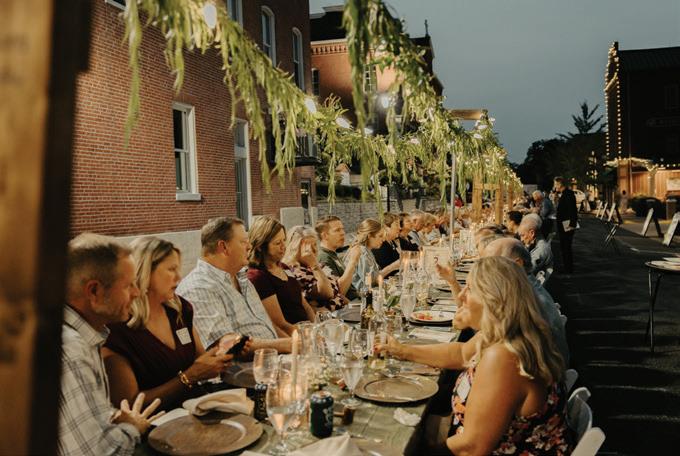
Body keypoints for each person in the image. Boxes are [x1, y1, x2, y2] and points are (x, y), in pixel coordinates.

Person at [379, 257, 572, 455]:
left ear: (493, 300)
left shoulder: (505, 357)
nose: (461, 295)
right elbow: (462, 354)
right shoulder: (508, 332)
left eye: (470, 289)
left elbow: (471, 448)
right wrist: (401, 350)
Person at [59, 233, 162, 456]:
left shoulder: (87, 335)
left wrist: (114, 419)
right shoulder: (71, 351)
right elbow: (98, 452)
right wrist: (133, 427)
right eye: (128, 285)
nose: (137, 293)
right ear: (94, 291)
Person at [103, 237, 234, 409]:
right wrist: (187, 378)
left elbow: (201, 360)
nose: (179, 277)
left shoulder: (179, 309)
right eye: (172, 269)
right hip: (158, 421)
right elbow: (130, 405)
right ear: (145, 272)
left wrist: (222, 354)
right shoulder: (118, 327)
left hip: (198, 409)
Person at [176, 217, 292, 351]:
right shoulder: (199, 287)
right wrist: (289, 345)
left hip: (274, 357)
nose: (249, 247)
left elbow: (267, 326)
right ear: (224, 247)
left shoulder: (241, 278)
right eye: (244, 242)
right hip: (252, 363)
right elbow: (225, 346)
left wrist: (294, 345)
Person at [247, 216, 315, 335]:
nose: (283, 247)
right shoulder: (258, 277)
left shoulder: (284, 267)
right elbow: (279, 324)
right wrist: (309, 337)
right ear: (260, 246)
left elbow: (305, 306)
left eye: (284, 240)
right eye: (277, 243)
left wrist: (317, 328)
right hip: (292, 337)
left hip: (307, 330)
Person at [283, 225, 345, 310]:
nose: (314, 250)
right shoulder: (294, 272)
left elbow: (338, 292)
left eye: (315, 245)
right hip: (327, 316)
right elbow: (327, 294)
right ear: (294, 248)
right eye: (308, 246)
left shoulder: (319, 266)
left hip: (342, 313)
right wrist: (314, 266)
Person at [315, 216, 361, 300]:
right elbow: (338, 293)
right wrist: (353, 261)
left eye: (342, 229)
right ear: (325, 235)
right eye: (337, 230)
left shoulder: (332, 253)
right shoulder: (323, 258)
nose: (343, 233)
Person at [351, 218, 400, 291]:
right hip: (361, 295)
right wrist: (392, 267)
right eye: (380, 236)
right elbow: (371, 281)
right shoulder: (362, 252)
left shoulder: (367, 250)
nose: (383, 239)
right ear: (369, 236)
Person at [518, 214, 554, 278]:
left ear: (532, 233)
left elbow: (526, 270)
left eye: (523, 235)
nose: (521, 239)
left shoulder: (541, 249)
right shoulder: (536, 243)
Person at [554, 177, 578, 273]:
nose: (554, 186)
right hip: (565, 224)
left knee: (566, 247)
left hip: (567, 224)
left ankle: (568, 269)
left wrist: (572, 224)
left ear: (560, 184)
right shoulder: (565, 194)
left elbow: (572, 210)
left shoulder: (568, 194)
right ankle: (567, 267)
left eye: (555, 184)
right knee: (564, 247)